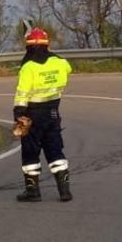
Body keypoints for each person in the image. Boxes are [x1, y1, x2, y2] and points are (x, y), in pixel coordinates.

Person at [13, 27, 73, 203]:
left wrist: (18, 114)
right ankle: (64, 191)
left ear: (29, 46)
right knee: (55, 149)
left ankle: (33, 192)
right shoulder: (60, 62)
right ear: (47, 45)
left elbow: (22, 93)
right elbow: (68, 68)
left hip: (32, 113)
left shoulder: (28, 67)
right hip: (53, 113)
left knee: (31, 152)